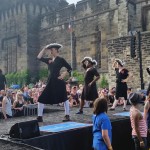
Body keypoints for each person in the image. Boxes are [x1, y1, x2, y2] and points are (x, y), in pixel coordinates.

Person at [37, 43, 72, 122]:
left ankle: (67, 115)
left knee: (64, 98)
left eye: (51, 50)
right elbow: (39, 57)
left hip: (59, 82)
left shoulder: (61, 59)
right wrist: (44, 48)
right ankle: (40, 117)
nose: (50, 52)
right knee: (41, 98)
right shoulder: (49, 60)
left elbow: (70, 68)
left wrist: (64, 74)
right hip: (50, 82)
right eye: (50, 50)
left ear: (56, 50)